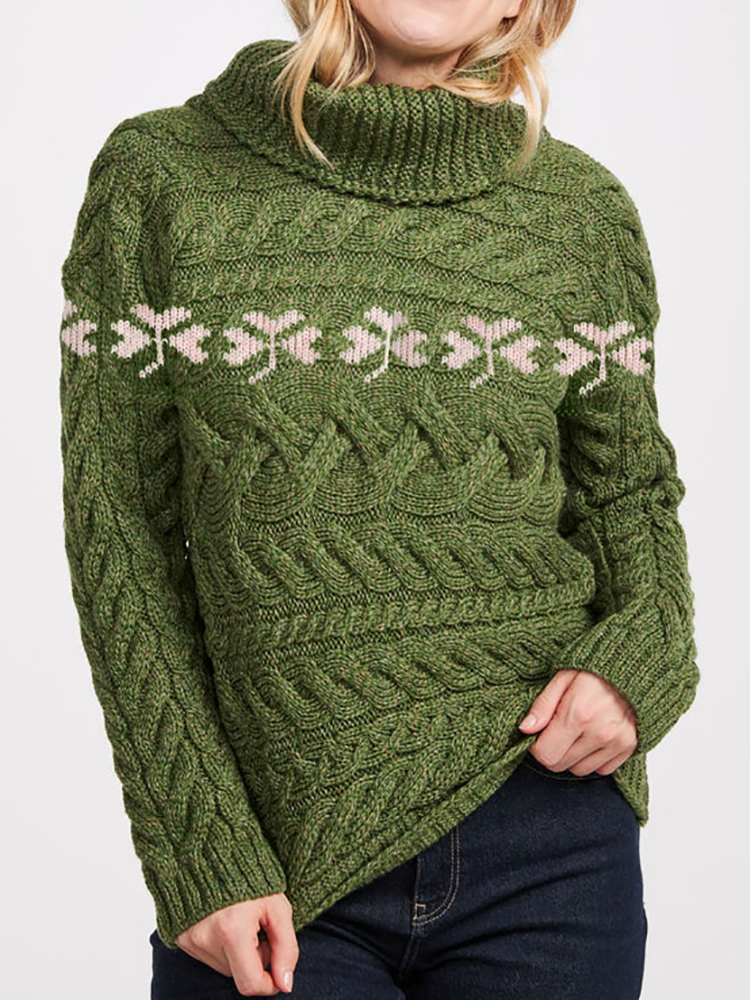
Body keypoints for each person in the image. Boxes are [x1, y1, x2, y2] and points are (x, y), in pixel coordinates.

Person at [57, 1, 700, 997]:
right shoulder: (162, 180)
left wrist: (641, 663)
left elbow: (631, 497)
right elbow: (120, 533)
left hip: (548, 846)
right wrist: (200, 848)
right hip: (273, 867)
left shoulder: (578, 214)